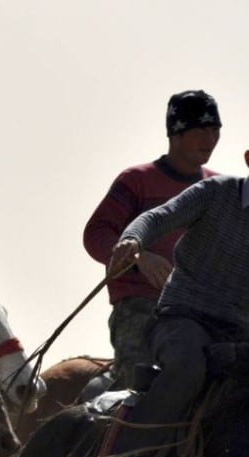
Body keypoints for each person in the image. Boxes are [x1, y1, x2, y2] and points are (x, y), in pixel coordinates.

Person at [106, 146, 249, 457]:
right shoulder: (217, 193)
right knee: (188, 366)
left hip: (238, 335)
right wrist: (134, 241)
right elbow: (158, 216)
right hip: (184, 317)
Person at [84, 90, 221, 389]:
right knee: (139, 388)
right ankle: (116, 431)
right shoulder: (136, 181)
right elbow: (96, 235)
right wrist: (138, 257)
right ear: (176, 133)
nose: (209, 139)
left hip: (202, 313)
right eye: (200, 130)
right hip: (141, 307)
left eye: (215, 130)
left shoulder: (219, 189)